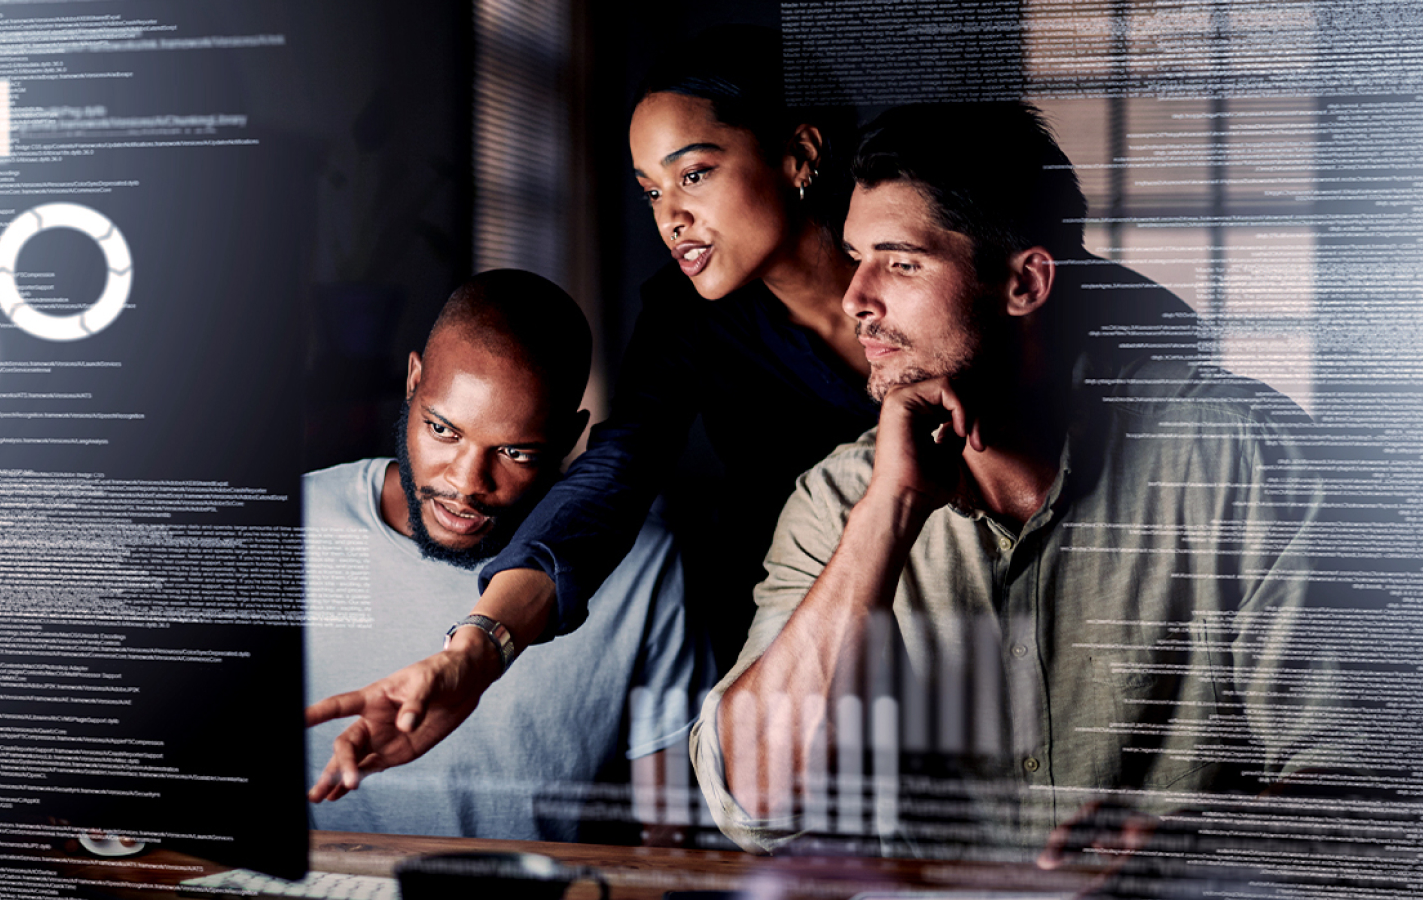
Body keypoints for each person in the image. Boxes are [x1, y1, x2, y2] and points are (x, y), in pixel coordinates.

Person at [688, 102, 1362, 878]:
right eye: (855, 257)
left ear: (1023, 282)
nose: (855, 298)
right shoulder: (842, 500)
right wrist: (890, 513)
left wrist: (1200, 846)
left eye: (900, 263)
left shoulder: (1242, 461)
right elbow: (756, 806)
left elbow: (1362, 778)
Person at [307, 25, 882, 793]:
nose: (669, 217)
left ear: (800, 155)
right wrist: (474, 654)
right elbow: (615, 474)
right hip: (799, 625)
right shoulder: (687, 320)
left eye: (695, 174)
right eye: (651, 191)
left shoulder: (936, 274)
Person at [302, 269, 711, 842]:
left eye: (515, 452)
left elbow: (667, 830)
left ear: (571, 438)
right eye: (443, 430)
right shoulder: (297, 523)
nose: (467, 483)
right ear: (414, 380)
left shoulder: (642, 560)